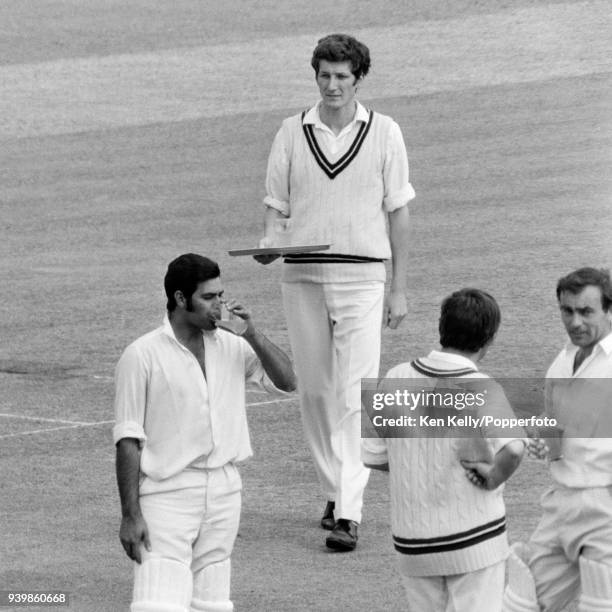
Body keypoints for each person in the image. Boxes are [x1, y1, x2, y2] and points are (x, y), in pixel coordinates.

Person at [255, 32, 416, 551]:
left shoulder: (386, 132)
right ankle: (334, 488)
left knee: (354, 394)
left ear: (358, 78)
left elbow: (399, 213)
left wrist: (400, 289)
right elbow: (276, 204)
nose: (332, 86)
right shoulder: (290, 131)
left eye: (342, 77)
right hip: (301, 275)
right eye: (324, 75)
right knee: (318, 392)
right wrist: (268, 242)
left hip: (363, 276)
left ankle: (349, 510)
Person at [113, 253, 296, 612]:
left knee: (212, 606)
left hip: (226, 492)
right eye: (209, 298)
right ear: (181, 299)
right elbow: (128, 441)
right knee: (158, 604)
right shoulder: (141, 355)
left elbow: (288, 381)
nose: (220, 307)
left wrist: (253, 333)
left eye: (221, 296)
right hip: (168, 495)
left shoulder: (233, 344)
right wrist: (130, 514)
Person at [362, 288, 526, 612]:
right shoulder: (483, 387)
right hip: (475, 542)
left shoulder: (395, 378)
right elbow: (515, 450)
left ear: (442, 327)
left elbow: (375, 456)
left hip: (414, 544)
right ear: (488, 340)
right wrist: (493, 477)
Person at [502, 267, 612, 612]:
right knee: (520, 602)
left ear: (609, 310)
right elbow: (553, 435)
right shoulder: (561, 364)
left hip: (604, 507)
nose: (575, 321)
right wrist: (543, 442)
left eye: (586, 311)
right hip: (561, 504)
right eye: (568, 311)